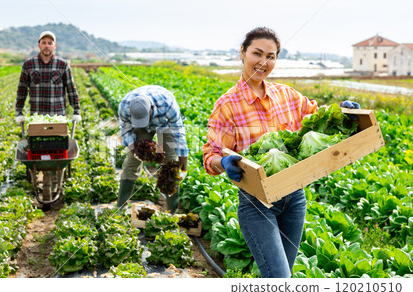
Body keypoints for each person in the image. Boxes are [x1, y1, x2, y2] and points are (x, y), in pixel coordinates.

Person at [202, 27, 360, 278]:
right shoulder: (227, 105)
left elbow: (317, 118)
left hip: (295, 197)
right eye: (257, 53)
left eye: (271, 56)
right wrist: (223, 161)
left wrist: (341, 110)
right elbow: (210, 155)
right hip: (257, 203)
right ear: (242, 53)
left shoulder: (286, 94)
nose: (263, 62)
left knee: (281, 276)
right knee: (279, 278)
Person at [117, 85, 188, 213]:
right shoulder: (124, 107)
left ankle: (172, 211)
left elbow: (179, 135)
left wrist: (183, 168)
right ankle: (120, 207)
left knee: (171, 165)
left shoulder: (168, 104)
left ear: (151, 108)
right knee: (131, 163)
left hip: (164, 125)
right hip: (140, 129)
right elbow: (126, 132)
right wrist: (135, 151)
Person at [15, 31, 81, 124]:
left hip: (58, 117)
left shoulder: (63, 64)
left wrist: (76, 111)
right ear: (39, 45)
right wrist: (19, 112)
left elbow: (71, 90)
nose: (47, 46)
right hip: (36, 118)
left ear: (54, 46)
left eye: (50, 43)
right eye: (44, 43)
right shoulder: (29, 64)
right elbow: (22, 90)